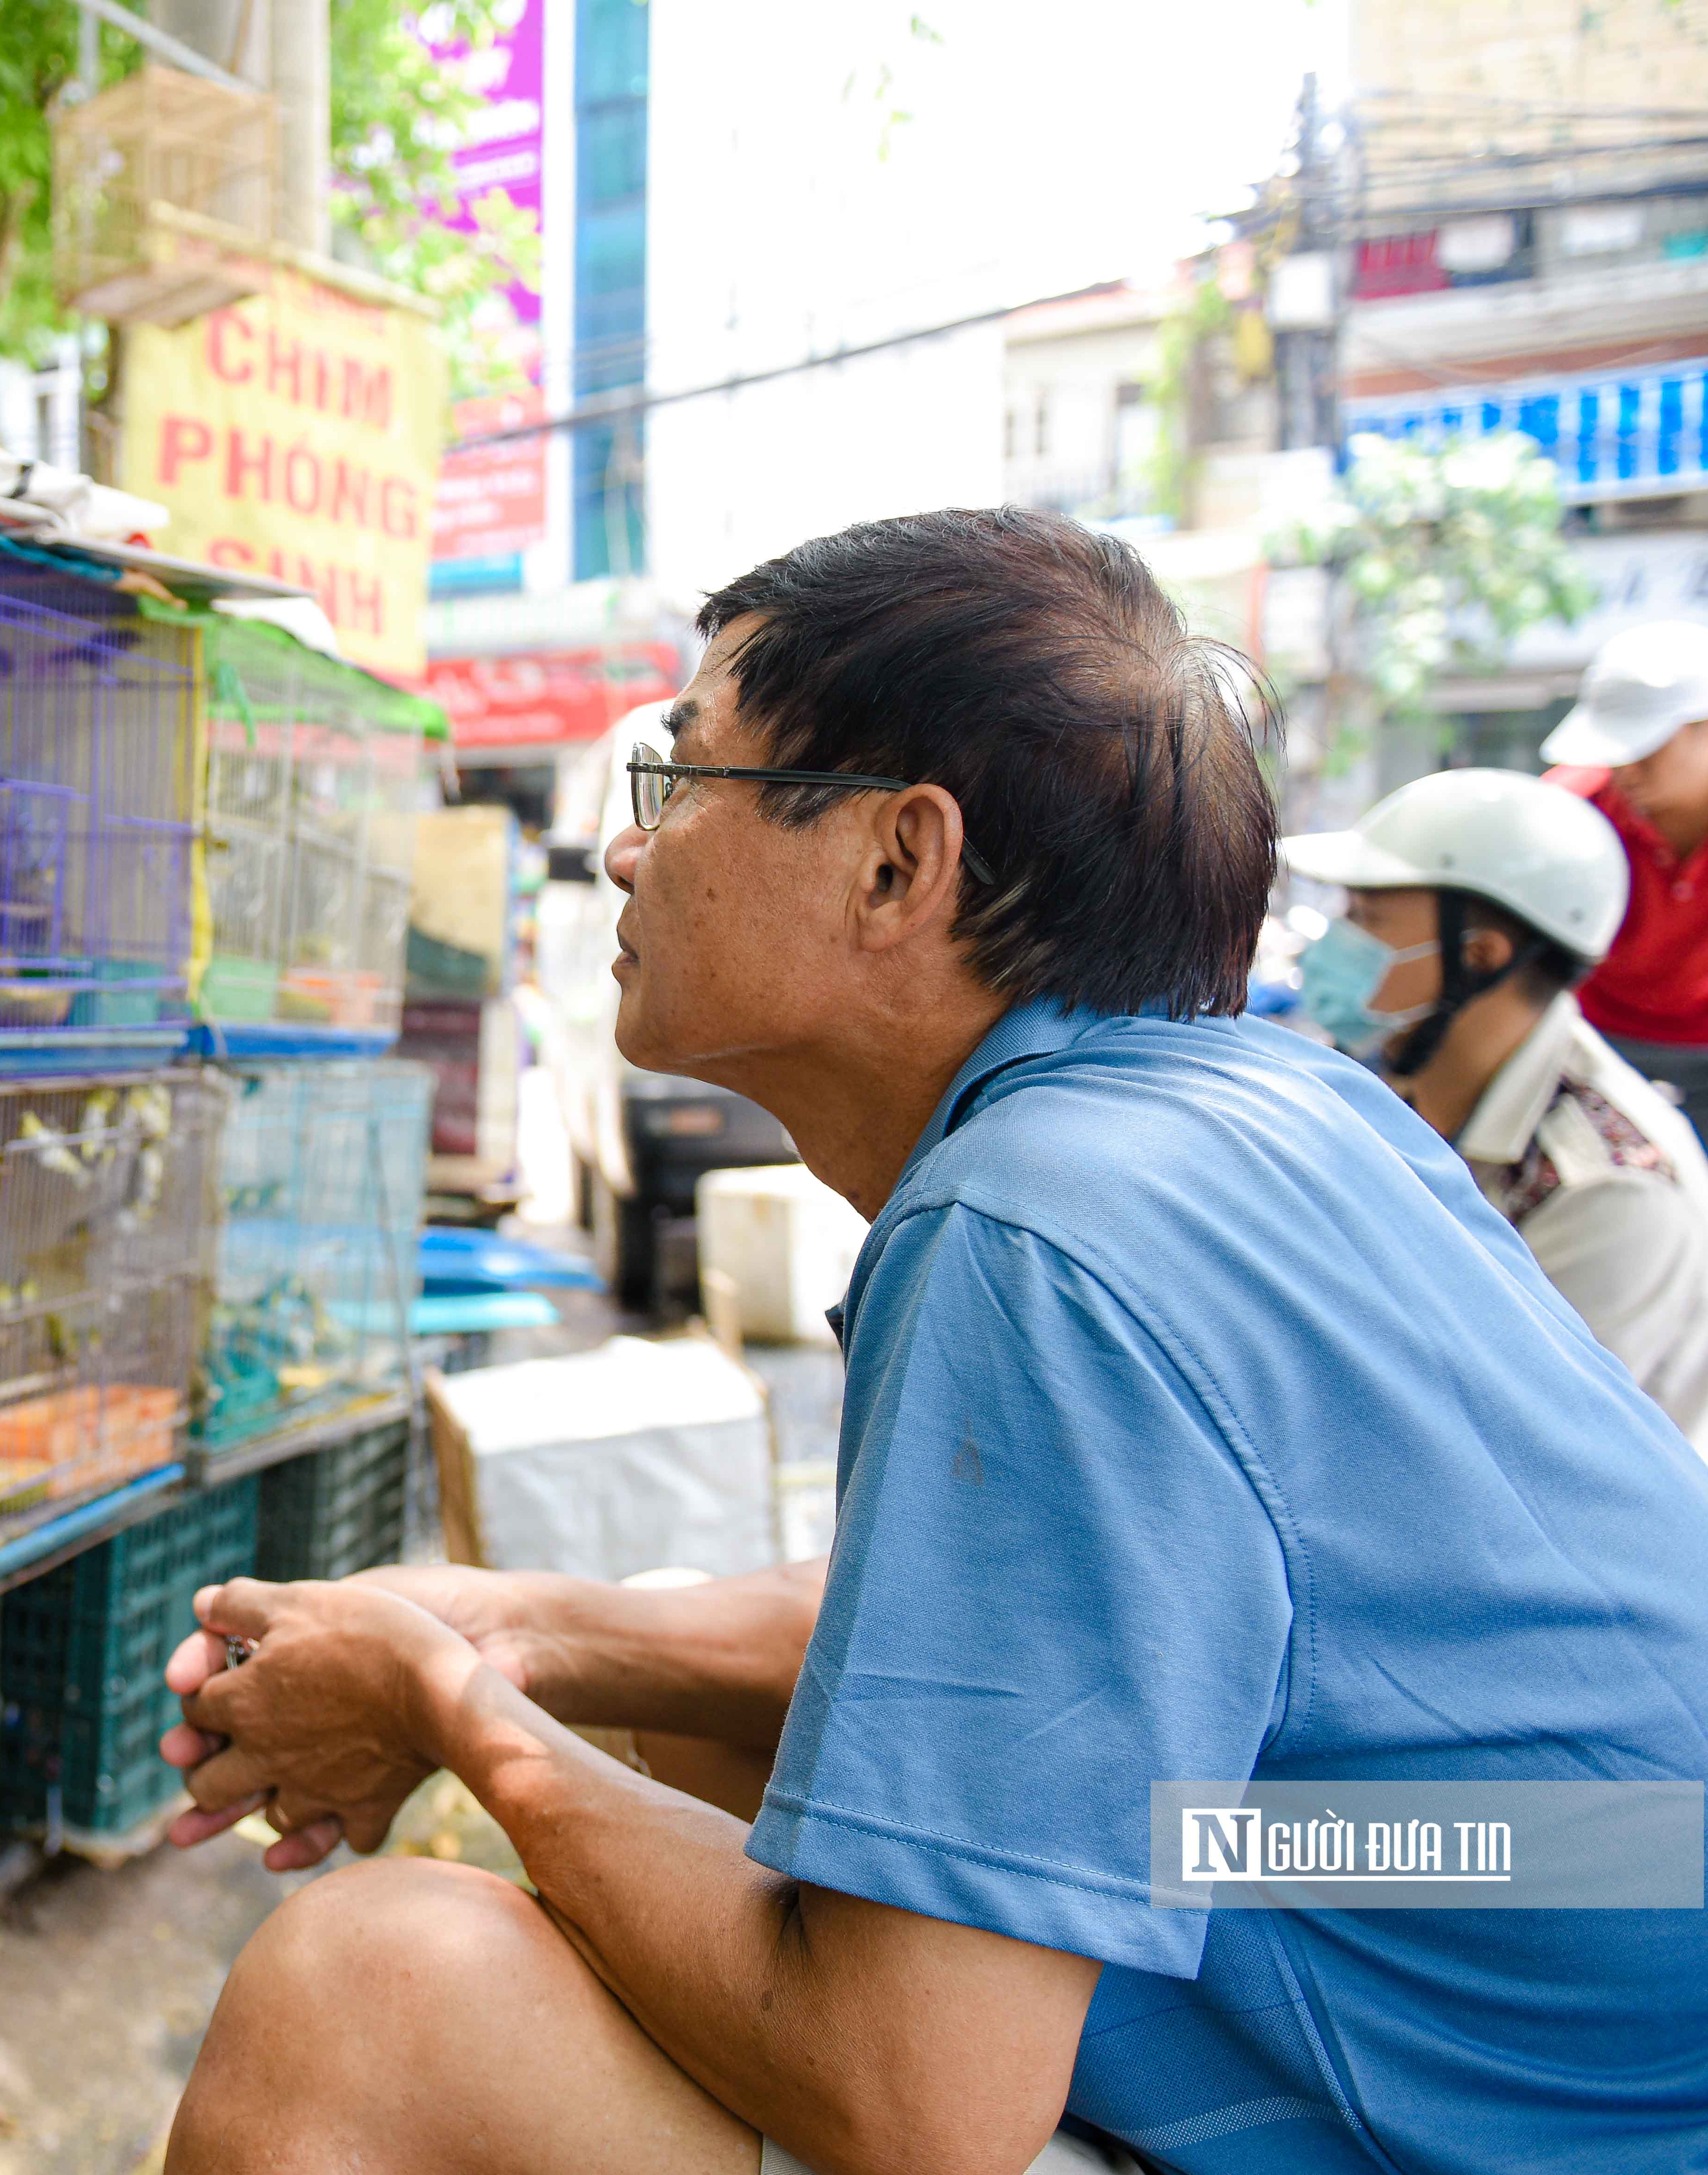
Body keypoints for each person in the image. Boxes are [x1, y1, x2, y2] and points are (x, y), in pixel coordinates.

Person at [154, 509, 1708, 2175]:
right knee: (758, 1743)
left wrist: (451, 1704)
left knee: (376, 1988)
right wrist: (516, 1626)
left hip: (1539, 2053)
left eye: (676, 783)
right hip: (1503, 1874)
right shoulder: (1257, 1106)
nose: (622, 852)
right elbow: (984, 1644)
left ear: (898, 860)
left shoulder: (1033, 1230)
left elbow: (916, 2106)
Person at [1284, 767, 1708, 1449]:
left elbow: (1505, 1448)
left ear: (1478, 956)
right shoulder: (1391, 1082)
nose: (1333, 943)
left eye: (1365, 919)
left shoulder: (1608, 1190)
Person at [1541, 619, 1708, 1108]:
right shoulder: (1567, 808)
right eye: (1611, 749)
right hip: (1590, 1043)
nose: (1624, 769)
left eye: (1642, 746)